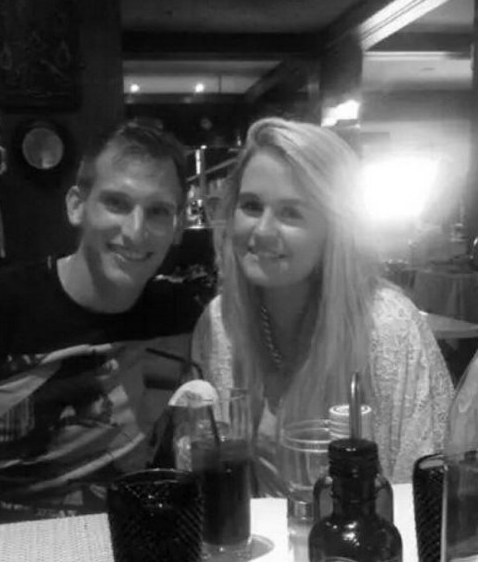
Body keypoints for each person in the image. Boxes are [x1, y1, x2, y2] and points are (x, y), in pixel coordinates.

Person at [0, 120, 199, 532]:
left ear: (178, 226)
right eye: (116, 203)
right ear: (76, 206)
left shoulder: (184, 316)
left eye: (158, 211)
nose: (135, 231)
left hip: (123, 552)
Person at [192, 118, 453, 490]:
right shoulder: (220, 321)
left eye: (291, 213)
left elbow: (425, 485)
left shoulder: (388, 325)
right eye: (251, 206)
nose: (262, 231)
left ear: (335, 229)